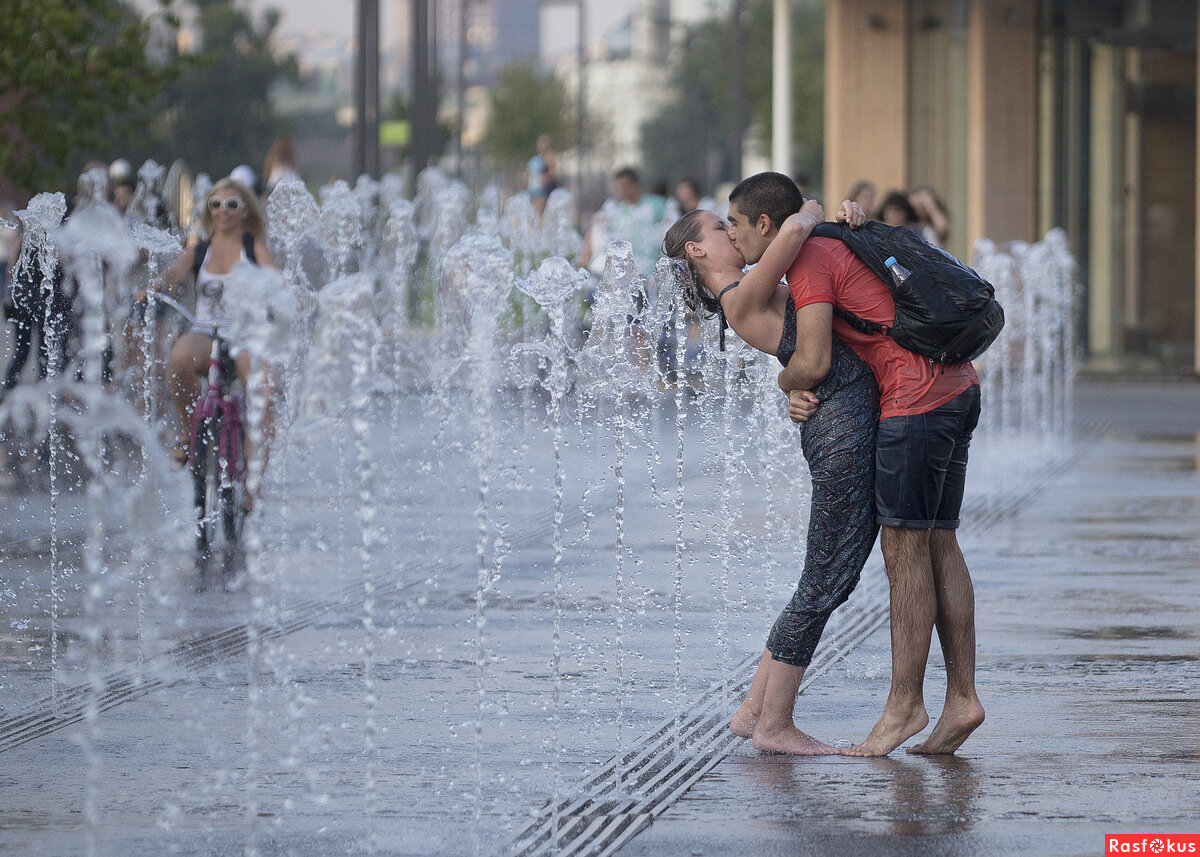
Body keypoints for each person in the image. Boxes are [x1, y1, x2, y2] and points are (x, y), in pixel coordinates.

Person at [663, 181, 878, 755]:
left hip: (833, 418)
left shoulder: (747, 291)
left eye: (732, 222)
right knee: (827, 577)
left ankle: (754, 709)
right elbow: (795, 229)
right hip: (840, 430)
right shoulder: (741, 297)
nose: (730, 231)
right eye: (719, 226)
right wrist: (811, 207)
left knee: (823, 572)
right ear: (697, 252)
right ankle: (775, 725)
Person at [774, 172, 985, 757]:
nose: (738, 246)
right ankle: (962, 698)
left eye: (735, 228)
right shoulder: (844, 237)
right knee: (940, 541)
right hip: (958, 385)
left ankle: (904, 706)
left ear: (764, 225)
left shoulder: (811, 257)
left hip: (915, 402)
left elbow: (812, 360)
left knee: (905, 551)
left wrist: (786, 381)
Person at [153, 178, 279, 486]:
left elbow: (277, 280)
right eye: (216, 204)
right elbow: (171, 276)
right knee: (180, 356)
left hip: (244, 334)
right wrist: (153, 287)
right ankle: (187, 433)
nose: (223, 211)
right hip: (206, 332)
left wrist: (281, 298)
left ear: (246, 211)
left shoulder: (255, 248)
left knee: (262, 392)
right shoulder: (200, 251)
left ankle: (253, 483)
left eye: (232, 204)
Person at [525, 135, 560, 217]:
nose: (539, 145)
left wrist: (542, 179)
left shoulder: (549, 156)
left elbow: (553, 172)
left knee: (540, 214)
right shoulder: (537, 158)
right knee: (534, 214)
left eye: (542, 143)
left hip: (543, 191)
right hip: (535, 190)